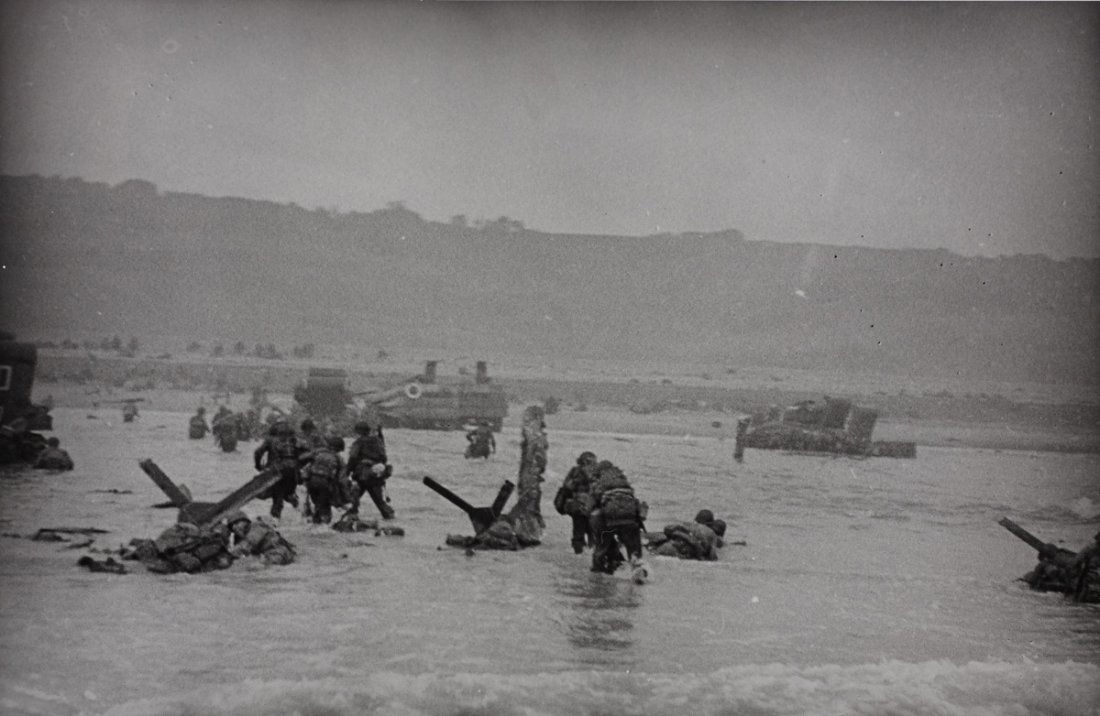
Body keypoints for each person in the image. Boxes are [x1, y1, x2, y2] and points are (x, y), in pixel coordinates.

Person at [588, 461, 646, 575]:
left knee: (601, 548)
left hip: (608, 519)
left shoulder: (598, 482)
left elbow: (591, 505)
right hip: (630, 519)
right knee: (634, 550)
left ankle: (597, 572)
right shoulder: (623, 482)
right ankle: (637, 569)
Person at [253, 418, 304, 519]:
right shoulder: (295, 441)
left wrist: (258, 466)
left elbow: (258, 452)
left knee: (277, 499)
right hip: (292, 472)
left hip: (277, 473)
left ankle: (275, 523)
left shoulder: (270, 440)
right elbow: (306, 453)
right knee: (289, 494)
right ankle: (303, 515)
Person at [346, 421, 394, 519]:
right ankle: (391, 520)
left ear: (359, 431)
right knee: (380, 502)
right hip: (376, 476)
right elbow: (384, 458)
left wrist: (346, 472)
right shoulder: (378, 441)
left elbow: (352, 458)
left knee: (353, 499)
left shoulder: (359, 442)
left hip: (362, 476)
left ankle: (350, 518)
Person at [553, 451, 598, 554]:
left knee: (578, 533)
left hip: (577, 507)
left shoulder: (574, 471)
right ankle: (591, 555)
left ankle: (579, 553)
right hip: (591, 508)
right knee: (592, 533)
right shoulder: (596, 473)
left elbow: (567, 487)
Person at [647, 510, 725, 561]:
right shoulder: (711, 534)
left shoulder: (686, 525)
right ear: (710, 524)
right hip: (681, 554)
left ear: (696, 519)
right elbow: (712, 557)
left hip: (665, 547)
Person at [301, 436, 345, 524]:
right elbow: (342, 478)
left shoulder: (317, 452)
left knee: (317, 504)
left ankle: (314, 524)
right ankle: (321, 527)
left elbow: (302, 458)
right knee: (324, 508)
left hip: (311, 483)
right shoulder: (338, 458)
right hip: (325, 484)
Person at [225, 511, 296, 565]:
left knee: (257, 565)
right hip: (273, 554)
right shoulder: (242, 536)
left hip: (280, 554)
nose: (234, 527)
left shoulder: (256, 527)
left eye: (237, 523)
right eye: (231, 526)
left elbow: (243, 547)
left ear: (245, 521)